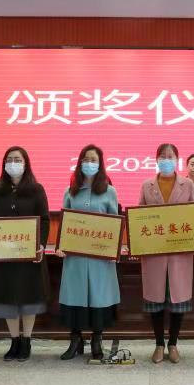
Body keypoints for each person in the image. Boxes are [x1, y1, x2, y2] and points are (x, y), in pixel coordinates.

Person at [0, 147, 50, 362]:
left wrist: (40, 244)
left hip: (29, 256)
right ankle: (14, 341)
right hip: (5, 256)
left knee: (28, 298)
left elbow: (45, 219)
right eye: (9, 159)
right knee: (8, 299)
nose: (13, 163)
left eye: (17, 159)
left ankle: (26, 340)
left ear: (25, 163)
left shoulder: (36, 189)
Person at [56, 144, 121, 361]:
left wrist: (113, 247)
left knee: (99, 298)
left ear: (100, 164)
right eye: (85, 159)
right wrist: (61, 245)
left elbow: (114, 223)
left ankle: (97, 339)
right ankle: (75, 340)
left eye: (93, 160)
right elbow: (64, 223)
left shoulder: (109, 191)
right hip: (75, 257)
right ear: (79, 163)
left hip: (100, 259)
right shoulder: (70, 191)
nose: (89, 163)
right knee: (74, 297)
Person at [138, 143, 194, 364]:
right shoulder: (147, 185)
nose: (166, 160)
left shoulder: (187, 184)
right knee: (156, 300)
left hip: (179, 253)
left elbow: (193, 215)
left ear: (177, 160)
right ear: (156, 159)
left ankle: (173, 343)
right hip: (154, 253)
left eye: (170, 156)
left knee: (177, 300)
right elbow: (139, 217)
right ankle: (158, 344)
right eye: (162, 156)